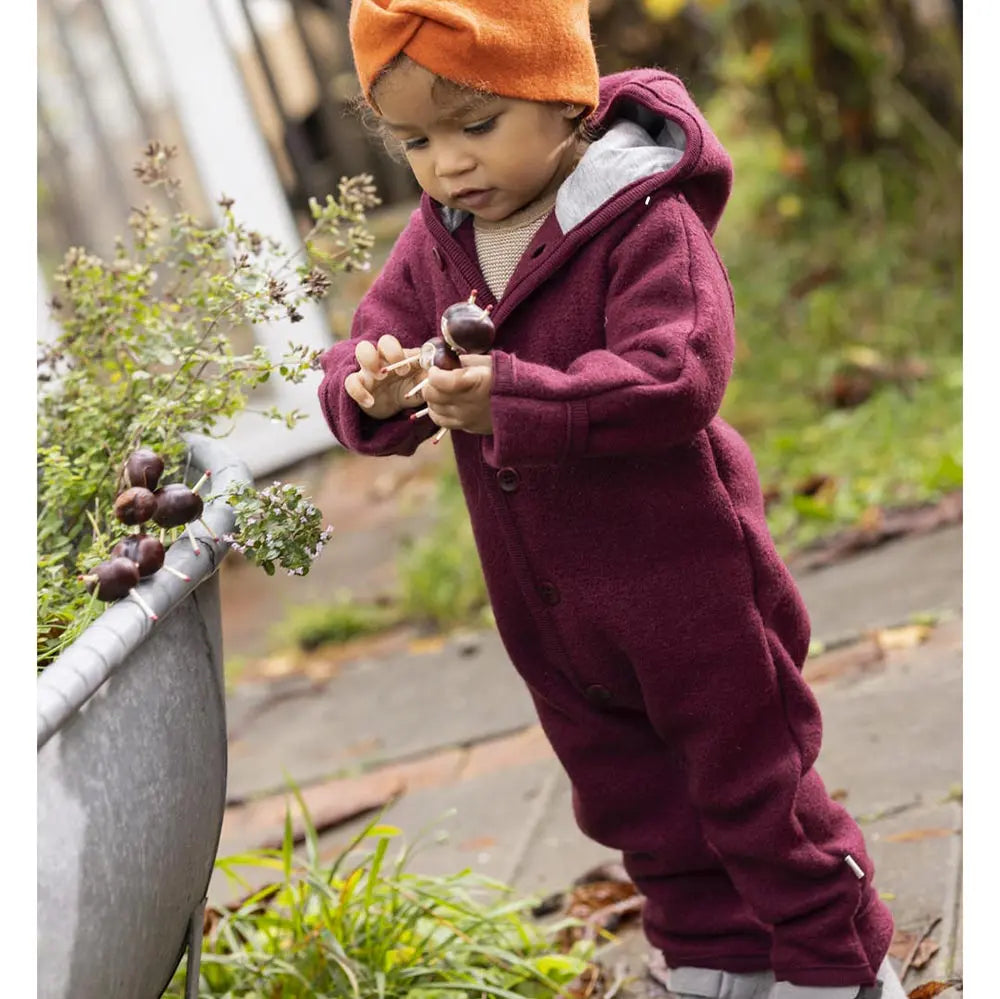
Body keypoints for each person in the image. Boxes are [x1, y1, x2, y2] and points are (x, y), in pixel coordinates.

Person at [317, 3, 905, 997]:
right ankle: (715, 960)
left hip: (686, 581)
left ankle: (833, 960)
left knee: (750, 783)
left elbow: (678, 374)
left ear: (563, 102)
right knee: (632, 795)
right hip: (549, 608)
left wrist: (514, 398)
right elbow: (370, 341)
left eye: (474, 126)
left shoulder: (641, 218)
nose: (447, 164)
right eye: (415, 140)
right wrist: (368, 385)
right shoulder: (439, 241)